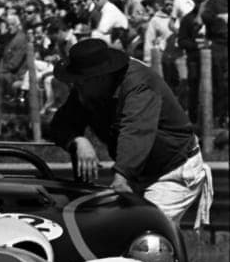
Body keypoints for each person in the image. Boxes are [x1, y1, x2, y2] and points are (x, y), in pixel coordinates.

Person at [49, 38, 213, 226]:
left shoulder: (139, 84)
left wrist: (121, 178)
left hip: (172, 170)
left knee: (145, 234)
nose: (74, 86)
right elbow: (60, 124)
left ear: (98, 77)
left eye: (78, 82)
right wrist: (77, 141)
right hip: (139, 174)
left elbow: (136, 132)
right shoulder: (88, 90)